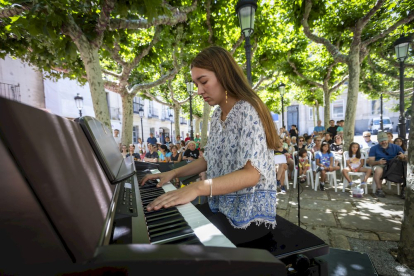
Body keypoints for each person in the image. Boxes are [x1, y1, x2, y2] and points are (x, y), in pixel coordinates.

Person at [140, 46, 279, 247]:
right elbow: (208, 159)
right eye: (196, 83)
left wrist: (197, 188)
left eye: (203, 81)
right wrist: (173, 173)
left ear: (224, 76)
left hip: (248, 218)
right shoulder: (216, 115)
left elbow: (252, 174)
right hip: (222, 208)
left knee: (174, 245)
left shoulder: (248, 111)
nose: (199, 91)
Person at [368, 132, 406, 198]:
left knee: (406, 168)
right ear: (378, 141)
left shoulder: (396, 147)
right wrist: (378, 162)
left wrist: (403, 156)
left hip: (394, 165)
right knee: (378, 170)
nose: (384, 142)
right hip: (380, 164)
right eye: (381, 141)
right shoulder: (374, 148)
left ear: (388, 139)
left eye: (385, 140)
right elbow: (370, 162)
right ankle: (379, 189)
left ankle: (404, 190)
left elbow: (405, 157)